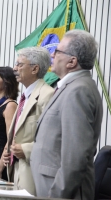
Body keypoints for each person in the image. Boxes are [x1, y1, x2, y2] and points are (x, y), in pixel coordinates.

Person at [30, 30, 103, 199]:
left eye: (58, 51)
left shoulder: (78, 91)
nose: (52, 54)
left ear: (72, 61)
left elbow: (75, 157)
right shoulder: (68, 87)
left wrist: (57, 195)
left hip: (61, 192)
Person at [3, 47, 54, 195]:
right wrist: (10, 152)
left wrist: (25, 149)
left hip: (32, 171)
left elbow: (53, 138)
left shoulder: (47, 95)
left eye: (19, 64)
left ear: (34, 69)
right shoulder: (26, 95)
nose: (14, 68)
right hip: (16, 169)